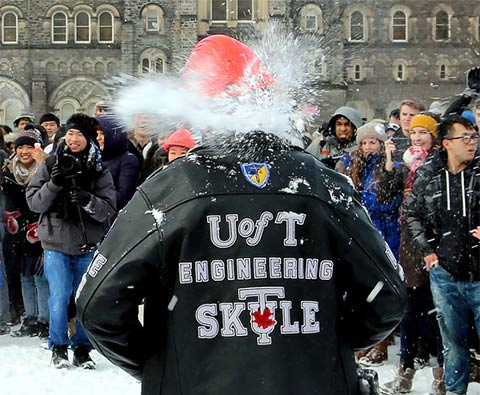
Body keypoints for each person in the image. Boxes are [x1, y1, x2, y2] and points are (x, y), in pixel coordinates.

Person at [77, 34, 407, 395]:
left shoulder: (170, 189)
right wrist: (325, 347)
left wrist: (166, 365)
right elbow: (387, 295)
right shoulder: (320, 184)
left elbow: (97, 305)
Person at [26, 113, 116, 369]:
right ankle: (59, 347)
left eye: (79, 134)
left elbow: (109, 210)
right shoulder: (51, 162)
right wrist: (54, 184)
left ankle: (83, 349)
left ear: (89, 139)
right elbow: (34, 202)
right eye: (70, 133)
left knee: (83, 299)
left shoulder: (99, 169)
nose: (74, 139)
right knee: (59, 296)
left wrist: (88, 200)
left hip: (87, 245)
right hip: (55, 244)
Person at [403, 115, 480, 395]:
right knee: (453, 346)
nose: (472, 143)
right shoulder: (430, 174)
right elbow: (411, 213)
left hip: (479, 271)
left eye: (474, 137)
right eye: (465, 138)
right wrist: (427, 250)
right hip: (445, 274)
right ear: (447, 143)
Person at [379, 113, 444, 395]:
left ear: (434, 137)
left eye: (423, 132)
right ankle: (405, 370)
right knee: (410, 310)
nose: (417, 137)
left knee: (438, 312)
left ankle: (442, 372)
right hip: (409, 243)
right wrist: (390, 164)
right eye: (414, 132)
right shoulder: (406, 164)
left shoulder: (440, 164)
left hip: (436, 242)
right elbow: (385, 196)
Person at [342, 122, 402, 368]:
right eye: (364, 143)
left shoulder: (390, 167)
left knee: (384, 284)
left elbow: (383, 201)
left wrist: (388, 165)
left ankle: (383, 341)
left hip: (385, 230)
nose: (368, 147)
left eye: (373, 142)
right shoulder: (356, 167)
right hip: (365, 228)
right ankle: (371, 340)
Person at [2, 127, 49, 338]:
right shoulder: (8, 171)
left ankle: (44, 319)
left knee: (41, 277)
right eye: (20, 147)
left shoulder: (45, 170)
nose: (24, 151)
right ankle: (29, 317)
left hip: (41, 229)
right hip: (16, 231)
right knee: (24, 276)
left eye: (29, 146)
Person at [94, 115, 140, 212]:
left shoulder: (128, 160)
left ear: (113, 135)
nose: (98, 138)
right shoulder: (94, 157)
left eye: (102, 134)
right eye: (96, 134)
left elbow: (123, 197)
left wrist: (90, 193)